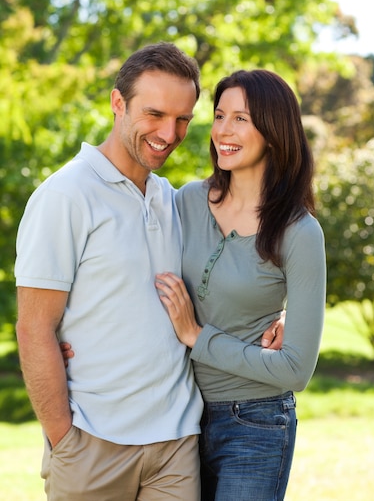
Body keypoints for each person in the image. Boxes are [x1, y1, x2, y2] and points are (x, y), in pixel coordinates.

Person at [15, 43, 284, 501]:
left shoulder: (173, 200)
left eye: (183, 119)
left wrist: (276, 315)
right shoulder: (66, 196)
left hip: (176, 445)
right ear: (118, 104)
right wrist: (64, 440)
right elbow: (33, 326)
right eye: (155, 113)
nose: (169, 132)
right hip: (92, 445)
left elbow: (229, 269)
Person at [154, 69, 327, 501]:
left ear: (273, 132)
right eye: (218, 115)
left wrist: (197, 335)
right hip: (178, 418)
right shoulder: (185, 201)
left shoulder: (299, 232)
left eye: (240, 119)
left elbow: (295, 369)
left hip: (257, 425)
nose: (222, 131)